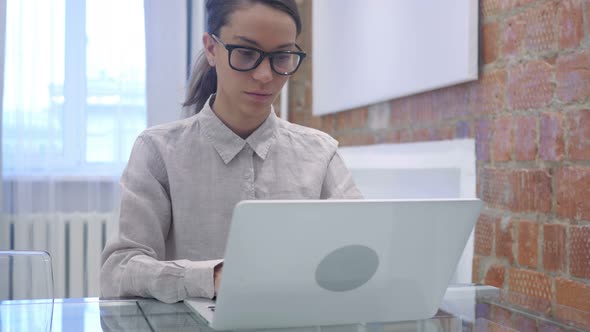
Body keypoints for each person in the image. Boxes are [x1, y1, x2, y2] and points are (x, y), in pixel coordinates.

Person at [100, 0, 362, 304]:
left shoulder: (320, 153)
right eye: (246, 53)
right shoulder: (158, 151)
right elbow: (118, 271)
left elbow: (363, 245)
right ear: (211, 49)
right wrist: (211, 277)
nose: (265, 75)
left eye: (282, 56)